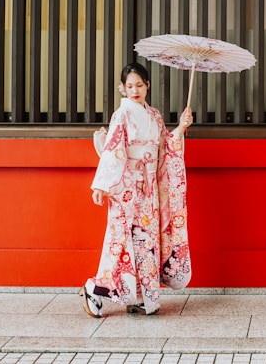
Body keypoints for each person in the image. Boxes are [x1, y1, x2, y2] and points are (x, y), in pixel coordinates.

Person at [80, 61, 193, 317]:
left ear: (147, 86)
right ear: (122, 88)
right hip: (127, 186)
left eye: (139, 85)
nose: (134, 90)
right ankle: (95, 287)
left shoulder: (154, 115)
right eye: (129, 86)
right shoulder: (122, 115)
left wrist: (182, 127)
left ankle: (141, 295)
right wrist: (102, 185)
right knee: (121, 239)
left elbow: (166, 145)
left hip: (150, 185)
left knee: (147, 241)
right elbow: (113, 149)